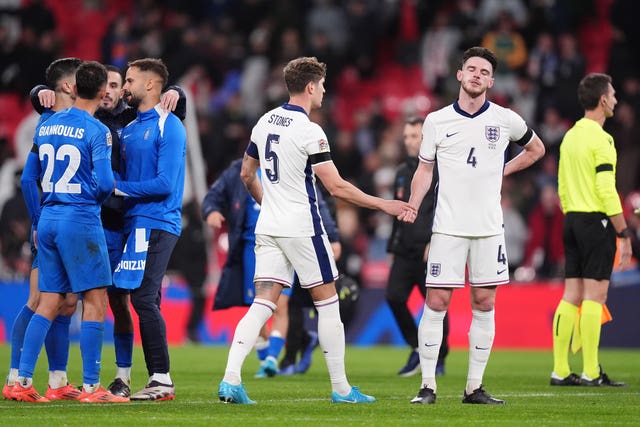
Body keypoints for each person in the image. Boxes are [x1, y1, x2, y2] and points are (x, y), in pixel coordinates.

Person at [217, 56, 413, 404]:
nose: (324, 90)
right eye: (322, 85)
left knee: (263, 304)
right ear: (310, 87)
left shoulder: (263, 122)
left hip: (269, 227)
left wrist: (268, 204)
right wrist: (386, 205)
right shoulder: (310, 131)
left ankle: (231, 379)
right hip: (303, 228)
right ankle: (341, 389)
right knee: (328, 305)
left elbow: (247, 174)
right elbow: (337, 188)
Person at [29, 64, 186, 398]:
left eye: (124, 83)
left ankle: (125, 376)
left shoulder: (130, 121)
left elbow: (168, 114)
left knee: (124, 300)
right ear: (100, 90)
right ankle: (61, 378)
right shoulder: (114, 127)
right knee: (77, 301)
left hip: (124, 221)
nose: (119, 89)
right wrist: (36, 93)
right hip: (102, 223)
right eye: (114, 83)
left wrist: (178, 93)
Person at [399, 47, 545, 405]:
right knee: (436, 301)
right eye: (471, 69)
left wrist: (503, 170)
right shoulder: (435, 121)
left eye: (484, 71)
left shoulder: (506, 119)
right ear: (460, 75)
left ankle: (473, 388)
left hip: (489, 228)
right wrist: (414, 204)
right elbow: (424, 169)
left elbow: (536, 149)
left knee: (484, 302)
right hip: (447, 227)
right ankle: (428, 387)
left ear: (491, 81)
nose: (477, 75)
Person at [12, 61, 128, 403]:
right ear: (103, 92)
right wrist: (87, 194)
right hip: (80, 219)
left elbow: (30, 176)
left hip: (47, 218)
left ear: (74, 89)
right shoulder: (97, 131)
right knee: (94, 301)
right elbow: (106, 183)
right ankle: (92, 388)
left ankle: (21, 381)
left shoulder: (46, 125)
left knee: (48, 301)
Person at [202, 158, 340, 377]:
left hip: (286, 241)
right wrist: (211, 210)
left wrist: (332, 236)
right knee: (258, 307)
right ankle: (264, 355)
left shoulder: (290, 164)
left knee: (280, 305)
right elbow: (214, 195)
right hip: (251, 246)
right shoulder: (239, 169)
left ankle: (271, 360)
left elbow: (315, 202)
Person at [3, 57, 83, 402]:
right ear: (67, 86)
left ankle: (58, 379)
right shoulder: (51, 123)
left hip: (58, 223)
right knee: (41, 300)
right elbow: (27, 179)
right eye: (82, 79)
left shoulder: (64, 121)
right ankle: (16, 379)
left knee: (65, 303)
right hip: (55, 223)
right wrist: (38, 221)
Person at [550, 73, 630, 387]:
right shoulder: (602, 139)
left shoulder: (570, 136)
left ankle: (559, 370)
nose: (616, 100)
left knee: (571, 295)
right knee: (596, 296)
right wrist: (622, 230)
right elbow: (606, 188)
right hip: (595, 221)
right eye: (612, 94)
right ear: (602, 100)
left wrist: (571, 211)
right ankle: (591, 371)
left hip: (570, 219)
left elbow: (561, 184)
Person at [113, 58, 186, 401]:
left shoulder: (168, 125)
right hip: (134, 223)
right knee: (145, 298)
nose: (124, 87)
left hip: (158, 222)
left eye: (129, 80)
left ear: (151, 86)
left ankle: (162, 379)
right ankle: (156, 377)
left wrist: (120, 187)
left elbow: (165, 182)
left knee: (142, 298)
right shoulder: (128, 129)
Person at [386, 117, 449, 377]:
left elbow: (444, 208)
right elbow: (397, 211)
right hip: (404, 249)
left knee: (435, 303)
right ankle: (417, 346)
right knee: (393, 297)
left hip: (428, 248)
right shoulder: (402, 171)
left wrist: (436, 241)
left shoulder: (439, 169)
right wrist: (392, 246)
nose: (410, 141)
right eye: (407, 137)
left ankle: (440, 356)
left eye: (415, 136)